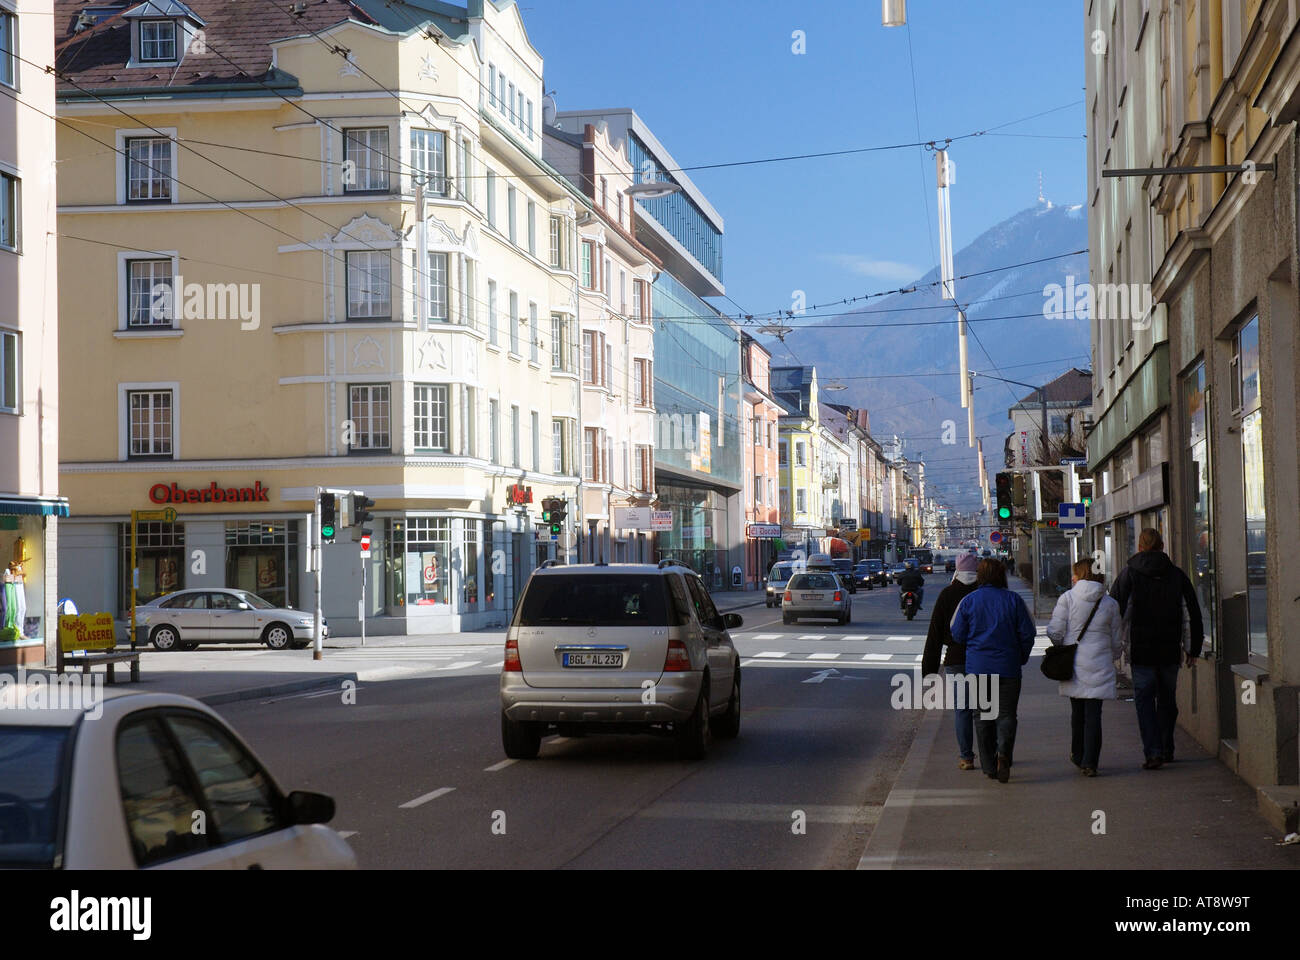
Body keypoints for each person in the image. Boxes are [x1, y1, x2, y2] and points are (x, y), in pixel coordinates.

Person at [1109, 528, 1204, 769]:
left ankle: (1152, 752)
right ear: (1162, 546)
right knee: (1167, 700)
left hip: (1141, 651)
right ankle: (1166, 746)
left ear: (1140, 547)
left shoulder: (1129, 575)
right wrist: (1193, 648)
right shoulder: (1177, 575)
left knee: (1144, 701)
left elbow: (1114, 612)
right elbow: (1191, 613)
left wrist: (1115, 648)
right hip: (1169, 649)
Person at [950, 559, 1037, 783]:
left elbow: (957, 634)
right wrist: (1020, 657)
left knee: (982, 716)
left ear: (980, 576)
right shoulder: (1014, 600)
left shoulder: (968, 601)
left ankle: (989, 765)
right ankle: (1004, 754)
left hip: (978, 668)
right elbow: (1028, 632)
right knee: (1007, 715)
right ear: (1002, 576)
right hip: (1008, 668)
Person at [1046, 559, 1123, 777]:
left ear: (1079, 575)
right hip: (1099, 663)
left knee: (1077, 713)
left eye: (1074, 574)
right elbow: (1117, 640)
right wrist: (1113, 656)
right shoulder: (1110, 604)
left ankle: (1077, 754)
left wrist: (1061, 645)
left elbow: (1056, 632)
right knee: (1094, 715)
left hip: (1074, 664)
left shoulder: (1067, 599)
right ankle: (1091, 762)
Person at [922, 553, 980, 769]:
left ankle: (966, 757)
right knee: (985, 708)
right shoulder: (983, 592)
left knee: (962, 709)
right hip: (983, 658)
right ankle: (990, 754)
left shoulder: (947, 594)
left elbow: (935, 634)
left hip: (956, 659)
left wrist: (929, 671)